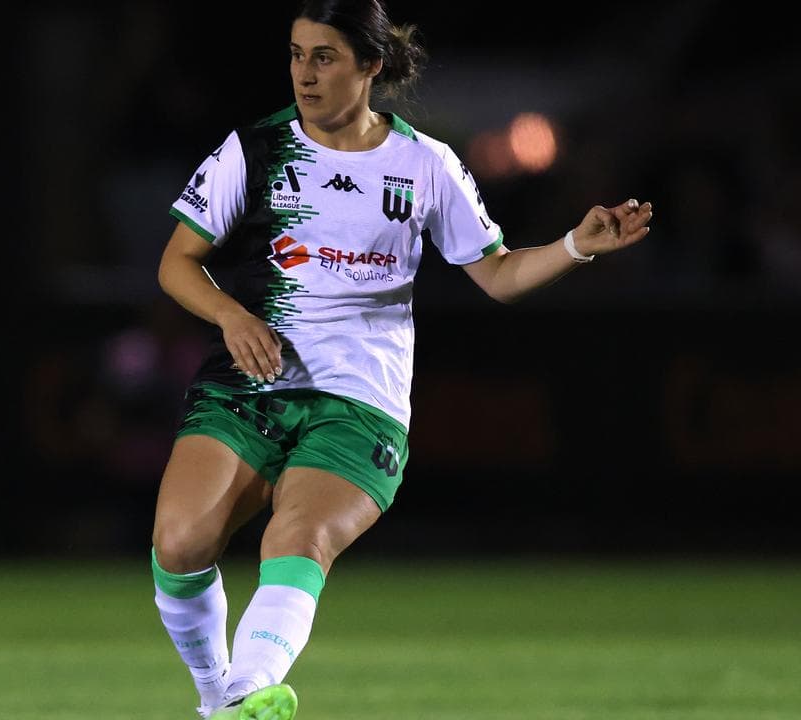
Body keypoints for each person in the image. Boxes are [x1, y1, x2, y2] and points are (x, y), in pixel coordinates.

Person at [148, 1, 654, 718]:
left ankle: (246, 690)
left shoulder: (424, 164)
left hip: (360, 403)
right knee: (179, 545)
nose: (305, 74)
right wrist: (231, 314)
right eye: (296, 54)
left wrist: (575, 246)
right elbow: (176, 262)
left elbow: (498, 274)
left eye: (325, 57)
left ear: (371, 66)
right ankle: (218, 701)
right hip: (249, 385)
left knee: (299, 538)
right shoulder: (255, 150)